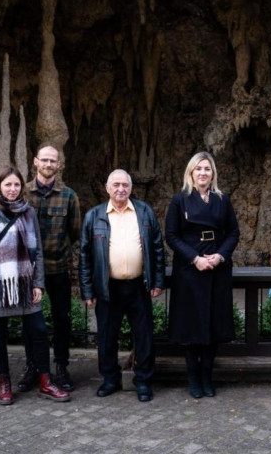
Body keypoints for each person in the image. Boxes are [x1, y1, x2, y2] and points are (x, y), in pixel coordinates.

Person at [0, 166, 70, 405]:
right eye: (8, 185)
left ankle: (45, 381)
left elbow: (37, 253)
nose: (13, 189)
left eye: (16, 185)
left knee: (39, 331)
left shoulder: (29, 213)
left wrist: (38, 284)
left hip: (25, 281)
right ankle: (4, 383)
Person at [80, 169, 165, 403]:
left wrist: (158, 281)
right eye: (116, 185)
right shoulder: (94, 216)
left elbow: (157, 248)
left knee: (144, 336)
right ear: (107, 188)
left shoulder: (144, 211)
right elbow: (85, 256)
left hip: (139, 286)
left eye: (125, 185)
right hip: (108, 288)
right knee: (107, 337)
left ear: (131, 187)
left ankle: (143, 381)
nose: (121, 189)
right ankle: (110, 380)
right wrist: (87, 289)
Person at [165, 152, 240, 398]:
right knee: (191, 324)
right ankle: (194, 376)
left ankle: (208, 375)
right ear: (191, 173)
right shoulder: (180, 200)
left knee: (213, 323)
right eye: (198, 169)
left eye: (207, 169)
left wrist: (220, 256)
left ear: (213, 173)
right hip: (189, 268)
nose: (203, 173)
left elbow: (233, 233)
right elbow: (172, 236)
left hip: (217, 267)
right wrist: (195, 259)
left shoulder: (222, 200)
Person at [16, 144, 82, 393]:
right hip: (28, 271)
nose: (48, 164)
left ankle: (62, 367)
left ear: (59, 164)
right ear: (35, 161)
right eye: (44, 160)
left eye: (53, 161)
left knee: (62, 319)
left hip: (57, 268)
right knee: (30, 321)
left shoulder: (69, 196)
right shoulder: (23, 194)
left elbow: (74, 232)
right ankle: (33, 366)